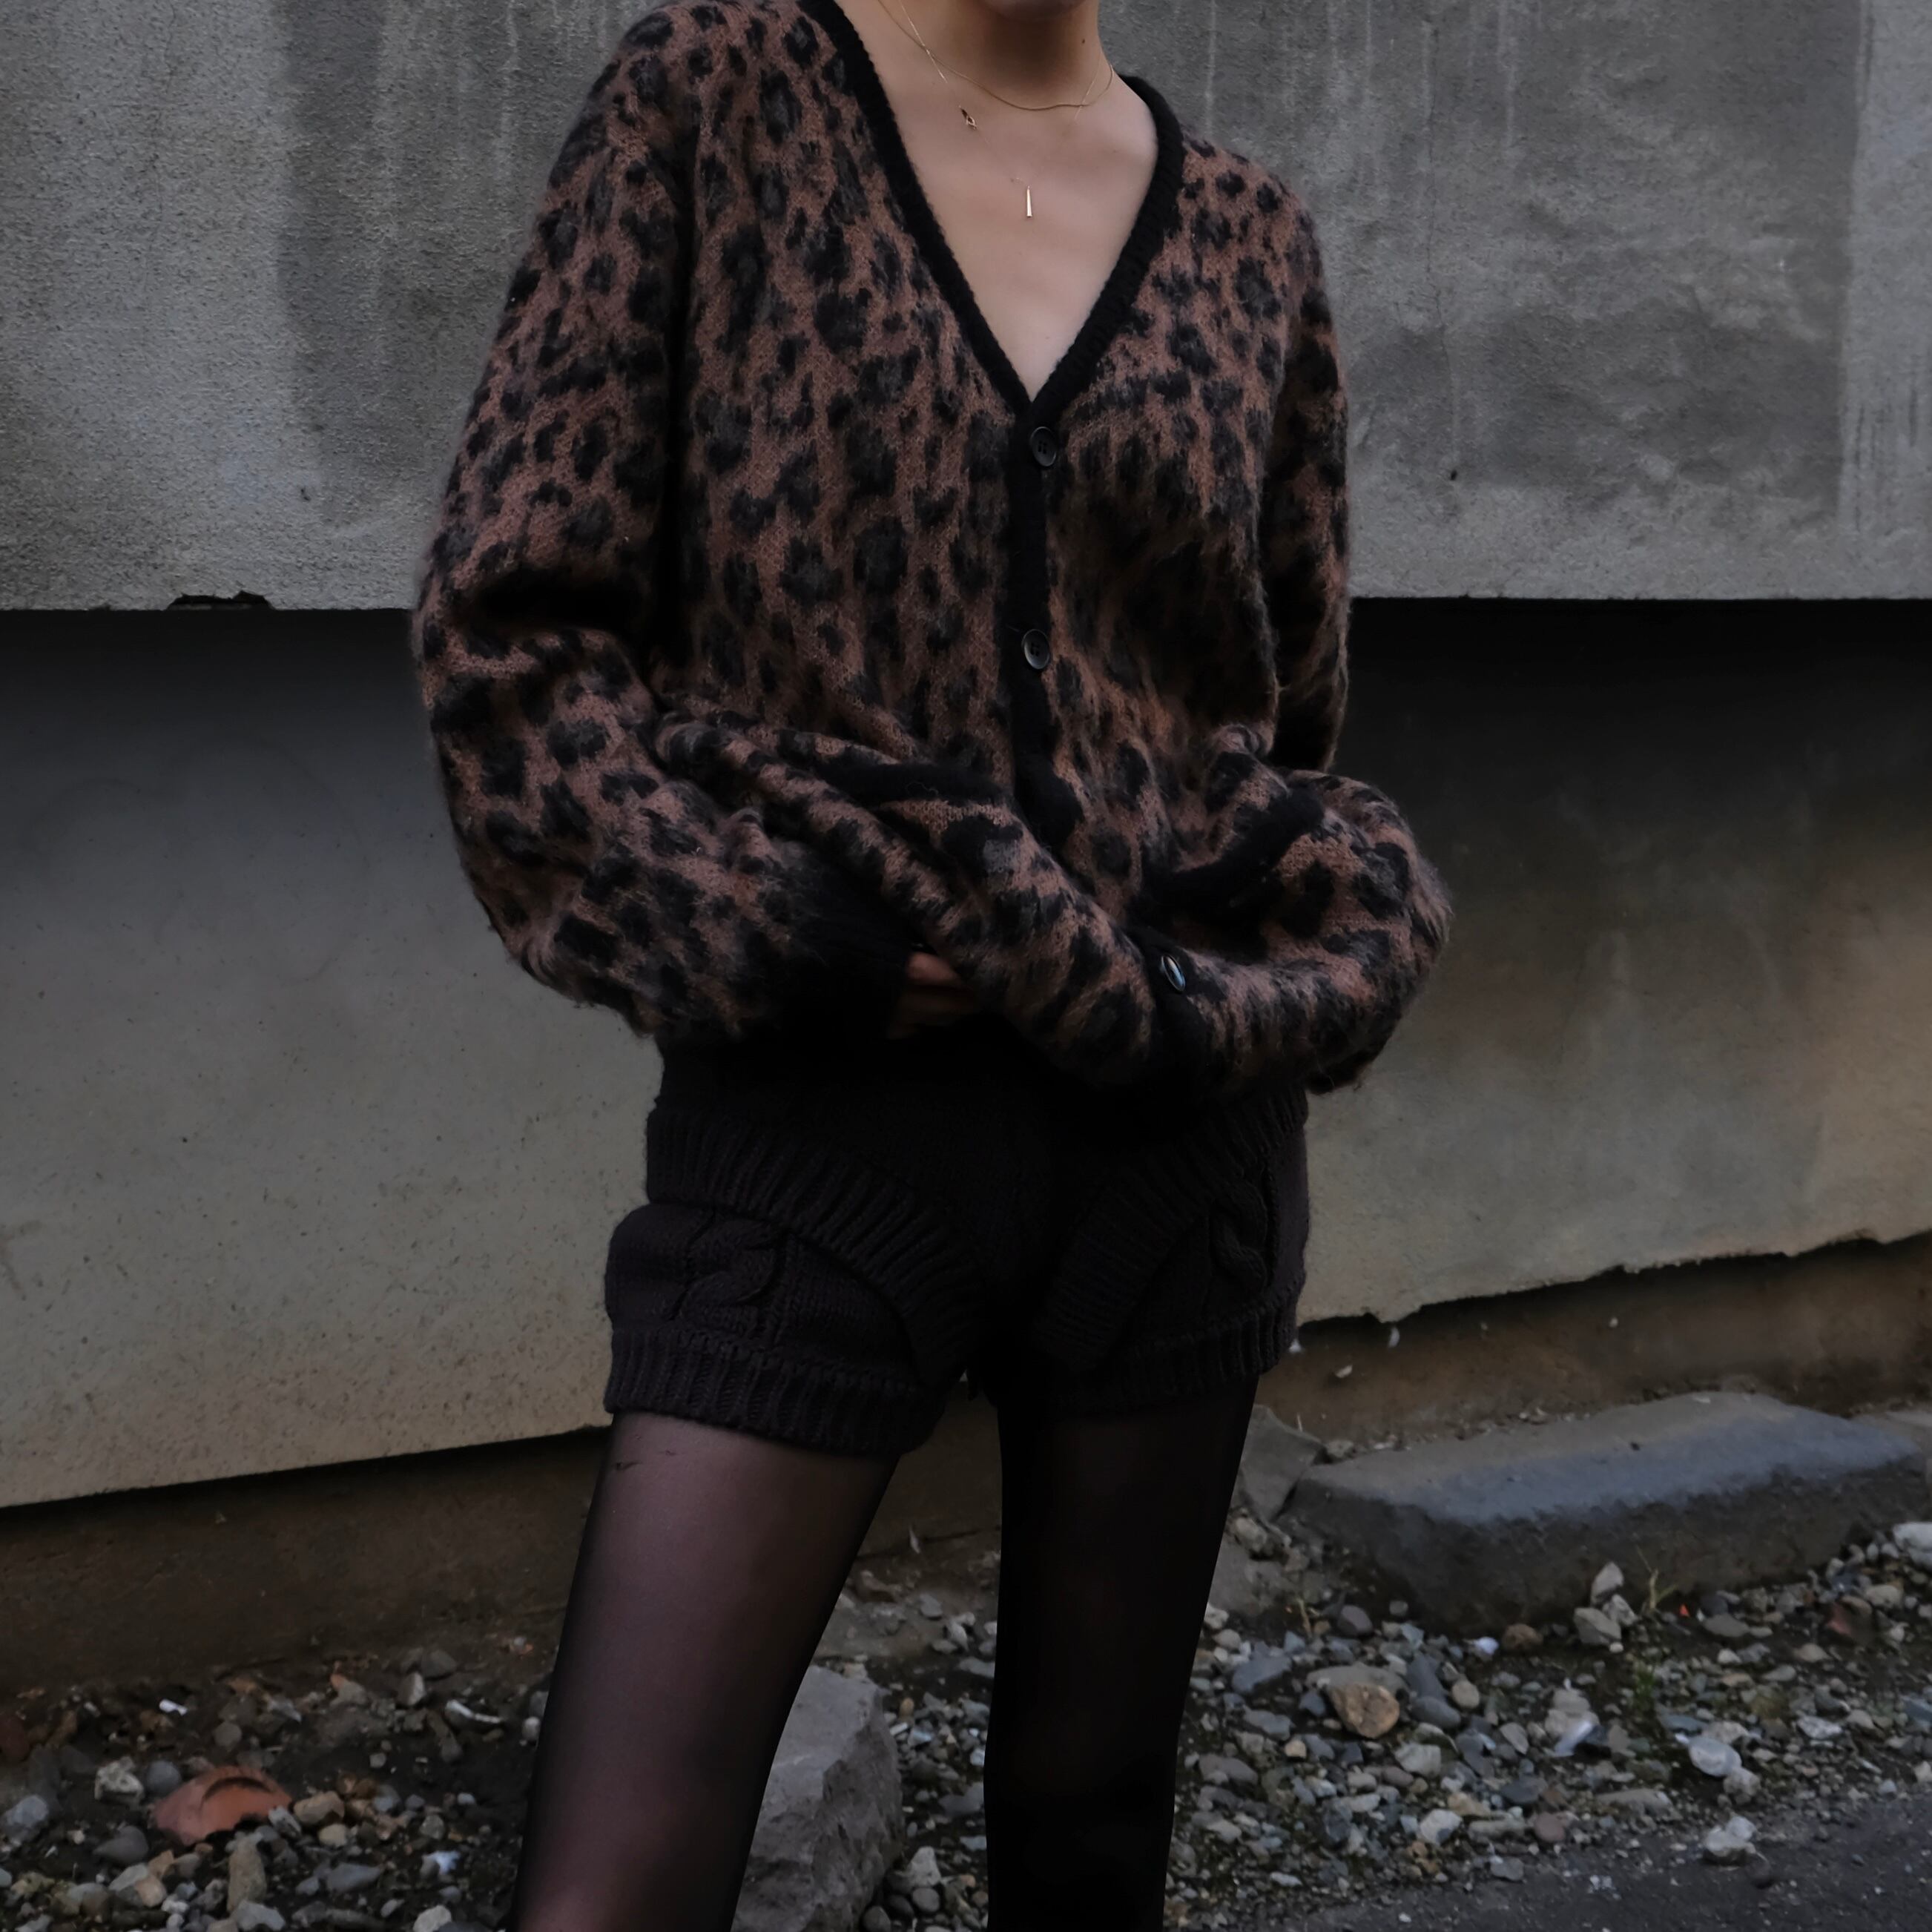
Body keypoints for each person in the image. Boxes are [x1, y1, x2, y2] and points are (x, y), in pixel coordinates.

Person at [409, 0, 1451, 1925]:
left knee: (1093, 1844)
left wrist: (1225, 921)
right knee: (617, 1881)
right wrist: (778, 935)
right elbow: (514, 639)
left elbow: (1277, 704)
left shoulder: (1247, 232)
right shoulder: (714, 99)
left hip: (1174, 1143)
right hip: (824, 1125)